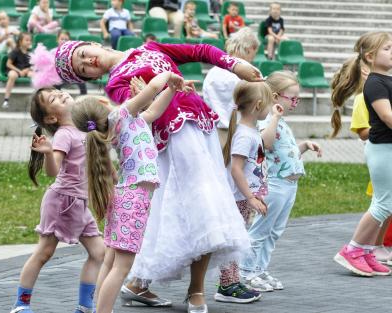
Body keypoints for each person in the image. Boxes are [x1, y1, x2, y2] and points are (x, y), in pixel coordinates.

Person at [31, 39, 262, 312]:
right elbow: (145, 107)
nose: (89, 62)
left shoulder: (149, 49)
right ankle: (173, 291)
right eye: (83, 69)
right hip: (169, 146)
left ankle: (135, 291)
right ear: (90, 79)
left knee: (198, 209)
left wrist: (234, 64)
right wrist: (165, 83)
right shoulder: (116, 88)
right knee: (191, 212)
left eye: (84, 55)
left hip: (198, 129)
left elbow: (198, 52)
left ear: (93, 44)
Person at [71, 71, 191, 313]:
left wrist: (172, 89)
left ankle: (99, 309)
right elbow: (151, 90)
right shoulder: (121, 115)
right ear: (102, 105)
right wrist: (169, 73)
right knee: (121, 268)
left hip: (126, 197)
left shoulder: (123, 121)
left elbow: (153, 111)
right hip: (133, 200)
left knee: (111, 261)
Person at [9, 88, 105, 313]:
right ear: (51, 117)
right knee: (44, 252)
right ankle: (21, 305)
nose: (61, 94)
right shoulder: (64, 134)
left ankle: (84, 307)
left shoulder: (84, 127)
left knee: (99, 253)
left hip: (80, 204)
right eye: (53, 98)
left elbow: (99, 144)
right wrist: (48, 153)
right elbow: (53, 171)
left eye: (59, 92)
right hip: (62, 202)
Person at [240, 71, 322, 291]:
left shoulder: (281, 122)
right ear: (275, 97)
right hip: (274, 185)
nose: (295, 103)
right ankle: (246, 273)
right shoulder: (267, 119)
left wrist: (304, 146)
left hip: (289, 185)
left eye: (298, 98)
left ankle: (259, 268)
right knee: (260, 230)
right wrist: (274, 118)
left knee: (274, 231)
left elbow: (283, 153)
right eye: (292, 98)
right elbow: (265, 144)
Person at [331, 31, 392, 277]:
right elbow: (387, 117)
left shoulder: (385, 80)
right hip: (382, 149)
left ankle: (366, 251)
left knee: (385, 203)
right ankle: (352, 250)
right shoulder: (375, 83)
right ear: (370, 56)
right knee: (382, 204)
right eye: (388, 48)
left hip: (388, 148)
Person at [215, 81, 274, 304]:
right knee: (234, 241)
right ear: (258, 105)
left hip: (244, 198)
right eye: (268, 105)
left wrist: (254, 195)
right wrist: (250, 196)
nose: (269, 109)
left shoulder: (251, 132)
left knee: (239, 240)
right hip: (238, 198)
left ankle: (233, 280)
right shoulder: (244, 135)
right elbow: (236, 169)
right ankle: (226, 285)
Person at [203, 27, 259, 147]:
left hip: (214, 134)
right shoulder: (251, 72)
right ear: (250, 48)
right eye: (255, 52)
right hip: (243, 134)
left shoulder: (212, 72)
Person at [2, 32, 33, 109]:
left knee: (35, 76)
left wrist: (26, 70)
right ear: (20, 41)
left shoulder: (30, 53)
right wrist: (19, 71)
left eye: (30, 40)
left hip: (25, 71)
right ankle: (6, 100)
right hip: (15, 70)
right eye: (26, 40)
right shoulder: (15, 51)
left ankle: (35, 100)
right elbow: (8, 64)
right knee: (12, 75)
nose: (29, 42)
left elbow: (33, 65)